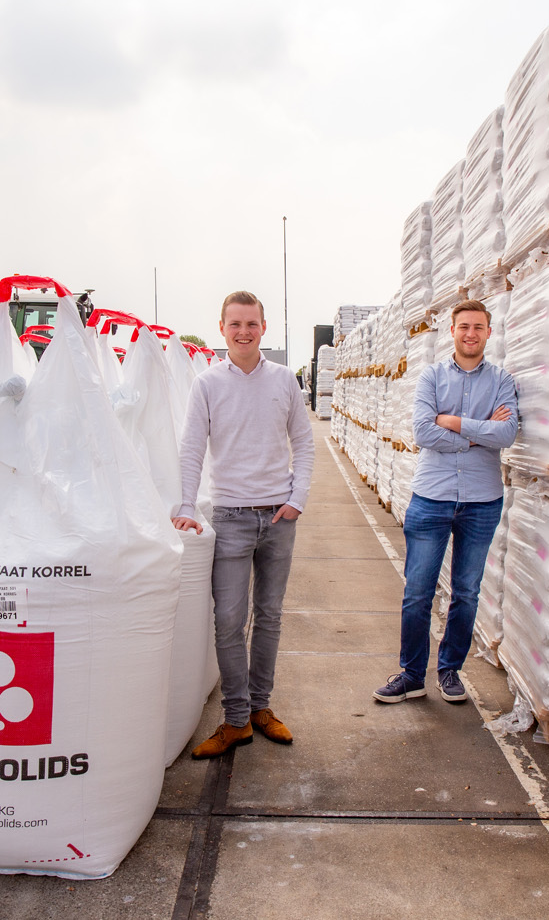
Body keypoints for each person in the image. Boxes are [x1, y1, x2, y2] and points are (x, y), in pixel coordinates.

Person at [174, 291, 315, 758]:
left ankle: (260, 708)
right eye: (235, 324)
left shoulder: (283, 381)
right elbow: (192, 448)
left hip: (278, 517)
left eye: (251, 324)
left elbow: (305, 443)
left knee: (269, 617)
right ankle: (235, 719)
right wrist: (186, 505)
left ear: (263, 327)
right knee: (230, 620)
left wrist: (297, 499)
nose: (243, 332)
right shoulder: (208, 384)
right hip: (231, 517)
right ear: (222, 328)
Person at [374, 298, 519, 704]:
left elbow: (506, 435)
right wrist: (479, 431)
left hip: (482, 499)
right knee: (418, 591)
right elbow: (422, 431)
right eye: (463, 327)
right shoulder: (431, 377)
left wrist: (453, 422)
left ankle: (450, 670)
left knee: (467, 592)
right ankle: (411, 674)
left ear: (489, 332)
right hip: (432, 496)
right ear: (452, 332)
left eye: (478, 327)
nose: (470, 333)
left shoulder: (502, 380)